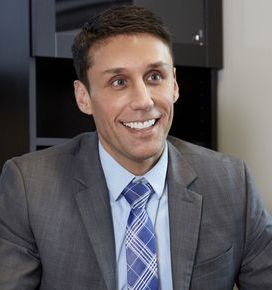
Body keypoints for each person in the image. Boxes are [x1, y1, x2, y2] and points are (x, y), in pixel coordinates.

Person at [0, 5, 272, 290]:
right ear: (84, 98)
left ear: (175, 85)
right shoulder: (30, 187)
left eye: (155, 77)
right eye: (119, 82)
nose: (143, 101)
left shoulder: (232, 183)